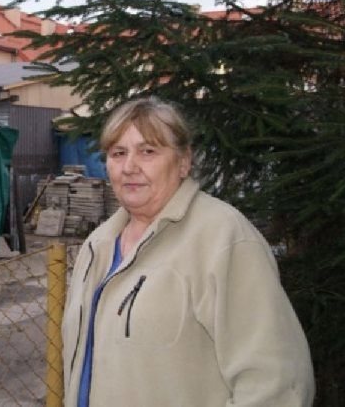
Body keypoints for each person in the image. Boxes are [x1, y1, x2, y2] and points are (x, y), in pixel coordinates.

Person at [61, 97, 315, 406]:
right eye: (118, 153)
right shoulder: (97, 245)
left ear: (184, 161)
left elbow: (278, 384)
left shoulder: (223, 238)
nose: (129, 167)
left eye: (148, 151)